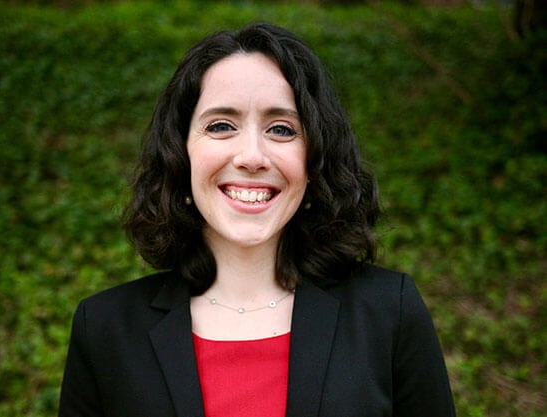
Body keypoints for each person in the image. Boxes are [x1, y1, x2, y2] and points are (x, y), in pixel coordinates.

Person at [59, 23, 455, 417]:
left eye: (281, 129)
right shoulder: (105, 328)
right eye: (221, 126)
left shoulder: (389, 313)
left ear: (314, 160)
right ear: (181, 155)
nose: (251, 156)